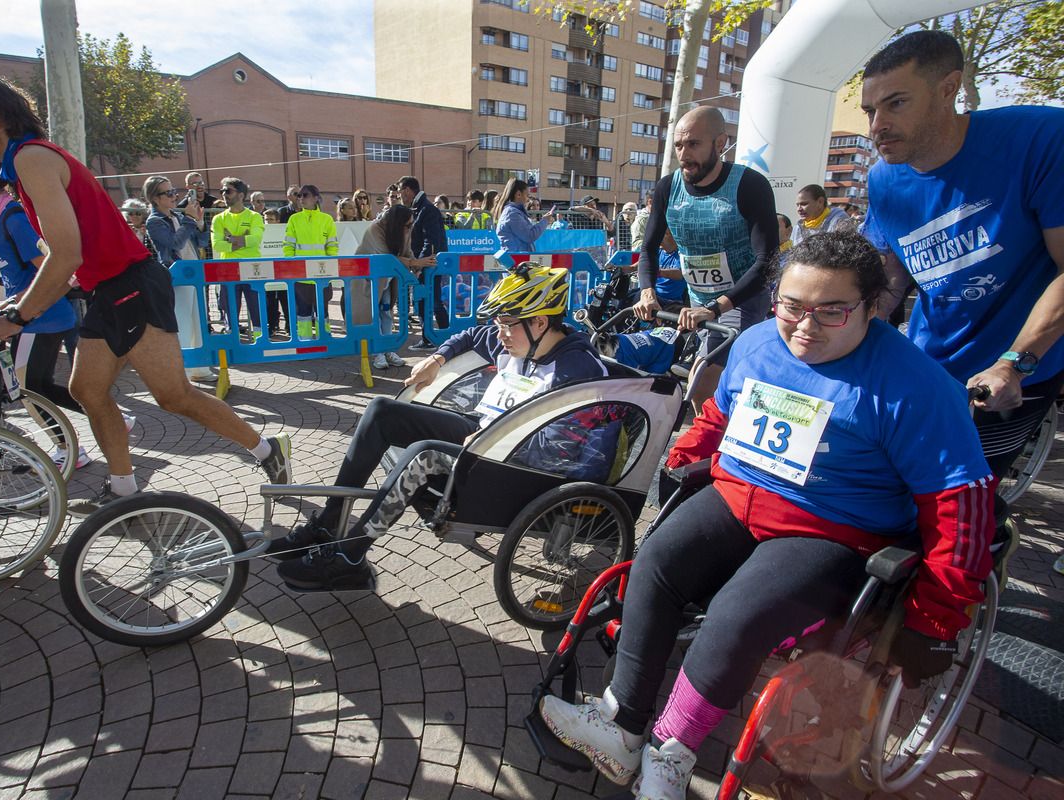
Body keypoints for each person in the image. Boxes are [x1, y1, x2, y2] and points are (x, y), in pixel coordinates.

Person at [539, 231, 995, 799]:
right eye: (792, 306)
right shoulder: (755, 344)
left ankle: (670, 755)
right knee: (655, 560)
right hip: (740, 495)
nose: (806, 325)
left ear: (873, 308)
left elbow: (960, 506)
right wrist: (685, 455)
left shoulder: (916, 387)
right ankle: (623, 724)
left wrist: (938, 617)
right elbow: (720, 417)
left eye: (832, 311)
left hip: (830, 526)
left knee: (737, 613)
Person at [0, 74, 291, 515]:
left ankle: (267, 450)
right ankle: (124, 492)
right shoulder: (24, 164)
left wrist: (19, 317)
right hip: (110, 288)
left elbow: (66, 254)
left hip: (130, 284)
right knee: (86, 389)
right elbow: (67, 259)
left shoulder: (30, 158)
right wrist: (20, 304)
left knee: (173, 395)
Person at [270, 265, 609, 590]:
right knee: (382, 411)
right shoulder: (519, 340)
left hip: (521, 466)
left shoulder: (577, 372)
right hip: (486, 437)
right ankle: (329, 524)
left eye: (507, 324)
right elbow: (472, 335)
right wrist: (436, 359)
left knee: (424, 454)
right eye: (499, 323)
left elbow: (558, 449)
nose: (499, 333)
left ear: (539, 321)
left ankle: (349, 557)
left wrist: (496, 438)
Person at [859, 29, 1064, 482]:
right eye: (870, 110)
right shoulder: (883, 179)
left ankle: (993, 544)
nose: (877, 126)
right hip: (928, 359)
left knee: (967, 493)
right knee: (886, 483)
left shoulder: (1041, 138)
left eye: (896, 103)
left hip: (1018, 368)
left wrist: (1016, 363)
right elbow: (890, 279)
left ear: (949, 88)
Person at [0, 150, 91, 469]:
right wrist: (8, 305)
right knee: (39, 385)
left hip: (40, 319)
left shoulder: (13, 217)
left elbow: (52, 271)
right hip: (34, 318)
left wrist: (14, 309)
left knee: (23, 388)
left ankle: (70, 449)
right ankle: (110, 418)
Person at [636, 105, 779, 414]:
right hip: (698, 301)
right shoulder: (668, 187)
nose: (684, 154)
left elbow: (767, 261)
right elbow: (647, 249)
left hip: (741, 300)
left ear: (720, 143)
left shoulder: (749, 185)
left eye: (694, 144)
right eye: (678, 145)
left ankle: (715, 457)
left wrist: (716, 307)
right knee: (716, 390)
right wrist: (647, 292)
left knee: (702, 389)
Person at [143, 175, 217, 383]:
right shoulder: (155, 221)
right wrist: (189, 220)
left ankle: (200, 368)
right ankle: (182, 373)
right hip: (176, 276)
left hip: (194, 273)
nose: (174, 195)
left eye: (173, 191)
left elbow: (202, 242)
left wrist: (200, 222)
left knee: (199, 323)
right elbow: (175, 243)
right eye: (168, 193)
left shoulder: (178, 216)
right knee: (182, 324)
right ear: (155, 198)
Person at [350, 204, 435, 371]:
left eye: (412, 224)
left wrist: (417, 268)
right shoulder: (375, 229)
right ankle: (377, 353)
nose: (411, 228)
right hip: (369, 281)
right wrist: (414, 263)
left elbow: (407, 252)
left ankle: (387, 349)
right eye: (408, 225)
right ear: (397, 223)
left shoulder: (403, 230)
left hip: (388, 279)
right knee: (373, 315)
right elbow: (386, 258)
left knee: (387, 313)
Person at [212, 177, 265, 343]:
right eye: (222, 191)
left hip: (252, 268)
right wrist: (242, 240)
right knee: (230, 310)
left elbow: (255, 240)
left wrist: (230, 239)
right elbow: (217, 246)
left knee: (256, 309)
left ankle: (260, 343)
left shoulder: (254, 217)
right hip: (228, 269)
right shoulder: (218, 219)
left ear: (241, 195)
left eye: (228, 191)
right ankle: (232, 343)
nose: (224, 194)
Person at [399, 176, 450, 351]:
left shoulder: (426, 209)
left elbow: (431, 241)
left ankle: (443, 339)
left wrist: (419, 265)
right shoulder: (420, 208)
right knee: (425, 301)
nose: (400, 196)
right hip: (427, 262)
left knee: (432, 301)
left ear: (407, 190)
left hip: (430, 264)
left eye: (400, 192)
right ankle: (435, 338)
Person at [282, 184, 338, 339]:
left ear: (316, 198)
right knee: (303, 312)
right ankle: (305, 341)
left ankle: (324, 340)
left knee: (323, 311)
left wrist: (327, 265)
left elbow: (332, 246)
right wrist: (292, 264)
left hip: (322, 274)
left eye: (305, 195)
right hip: (301, 275)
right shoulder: (294, 219)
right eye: (299, 196)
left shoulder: (327, 219)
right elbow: (288, 246)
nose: (301, 199)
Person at [493, 177, 555, 254]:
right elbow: (530, 236)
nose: (528, 199)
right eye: (527, 195)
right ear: (518, 194)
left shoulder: (512, 212)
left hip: (516, 255)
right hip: (517, 257)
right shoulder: (512, 213)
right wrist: (545, 220)